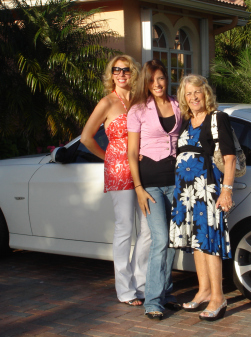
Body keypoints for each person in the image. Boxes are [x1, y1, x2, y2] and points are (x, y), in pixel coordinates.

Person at [81, 55, 151, 306]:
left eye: (126, 70)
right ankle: (125, 289)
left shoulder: (141, 101)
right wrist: (108, 158)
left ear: (133, 73)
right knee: (124, 229)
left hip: (144, 169)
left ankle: (140, 282)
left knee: (148, 229)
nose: (121, 74)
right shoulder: (107, 102)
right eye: (116, 70)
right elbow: (86, 137)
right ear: (110, 74)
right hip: (120, 170)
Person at [169, 74, 236, 321]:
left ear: (205, 93)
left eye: (197, 92)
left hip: (208, 190)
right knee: (197, 243)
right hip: (187, 193)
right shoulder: (187, 121)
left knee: (209, 243)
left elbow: (229, 158)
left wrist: (227, 190)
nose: (193, 97)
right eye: (188, 94)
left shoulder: (217, 119)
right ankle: (204, 290)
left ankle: (218, 297)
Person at [127, 59, 183, 320]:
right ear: (145, 83)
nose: (157, 84)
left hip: (176, 181)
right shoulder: (137, 110)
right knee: (160, 239)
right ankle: (152, 300)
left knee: (172, 241)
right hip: (150, 184)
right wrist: (138, 188)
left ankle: (166, 293)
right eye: (152, 80)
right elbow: (131, 152)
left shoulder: (177, 104)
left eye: (160, 78)